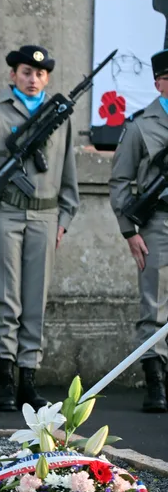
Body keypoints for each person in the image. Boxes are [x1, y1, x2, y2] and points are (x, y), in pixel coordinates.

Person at [0, 45, 78, 412]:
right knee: (6, 299)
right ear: (13, 75)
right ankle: (4, 378)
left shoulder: (60, 115)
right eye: (26, 72)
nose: (33, 79)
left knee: (35, 301)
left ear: (47, 78)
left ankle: (28, 378)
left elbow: (68, 171)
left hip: (45, 216)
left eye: (39, 74)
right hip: (5, 213)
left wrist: (64, 220)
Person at [109, 48, 168, 413]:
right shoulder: (140, 125)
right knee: (155, 304)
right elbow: (120, 180)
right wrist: (129, 230)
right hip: (158, 222)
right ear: (158, 82)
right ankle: (155, 380)